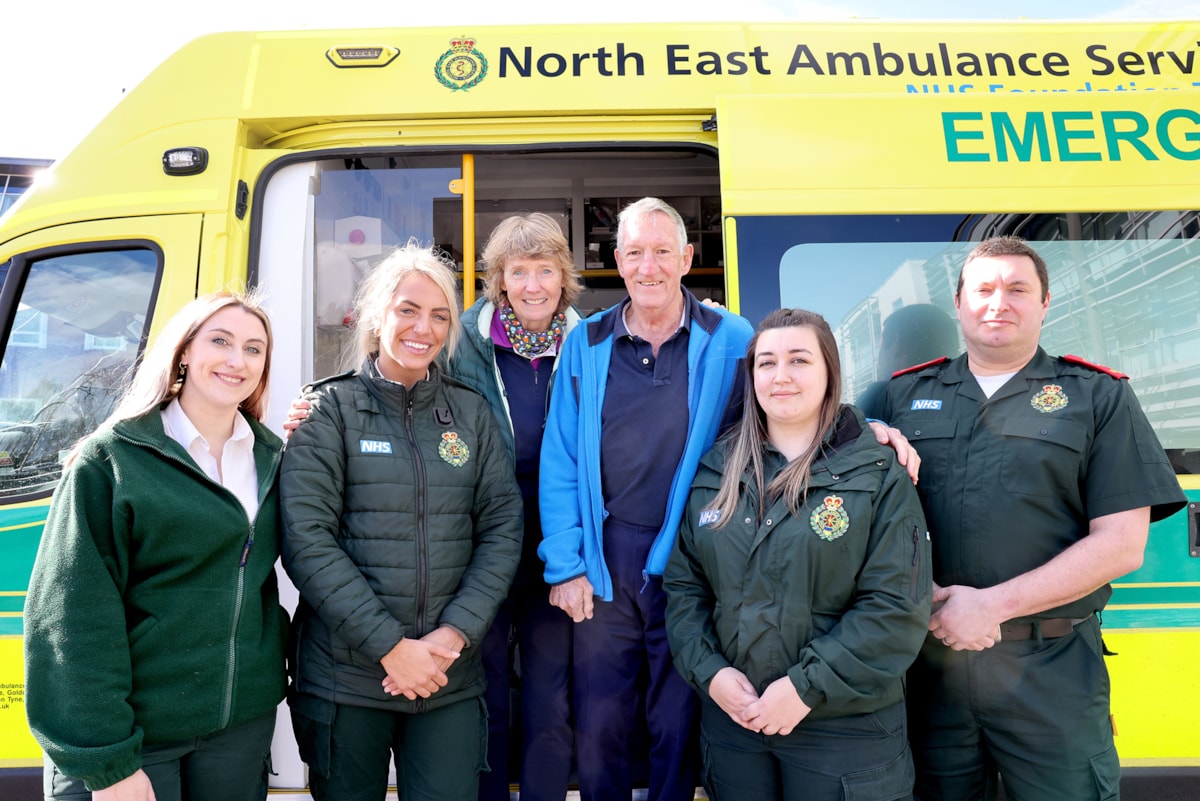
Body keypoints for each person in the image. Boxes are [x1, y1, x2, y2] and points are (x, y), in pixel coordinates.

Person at [538, 197, 921, 801]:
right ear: (617, 260)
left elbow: (789, 400)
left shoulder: (734, 335)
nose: (649, 266)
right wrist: (566, 563)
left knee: (678, 718)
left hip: (701, 549)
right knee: (601, 719)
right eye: (635, 252)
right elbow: (559, 456)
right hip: (607, 556)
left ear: (688, 258)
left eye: (663, 251)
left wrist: (863, 429)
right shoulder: (585, 342)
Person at [877, 236, 1187, 801]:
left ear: (1045, 303)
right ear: (959, 303)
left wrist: (989, 605)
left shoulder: (1098, 396)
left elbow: (1121, 545)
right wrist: (862, 432)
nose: (999, 302)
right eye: (984, 289)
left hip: (1052, 670)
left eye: (1018, 289)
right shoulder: (900, 397)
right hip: (927, 670)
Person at [280, 241, 523, 801]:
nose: (424, 327)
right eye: (407, 310)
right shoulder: (327, 412)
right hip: (346, 681)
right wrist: (392, 647)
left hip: (448, 679)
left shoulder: (471, 413)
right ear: (376, 316)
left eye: (440, 315)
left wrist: (452, 636)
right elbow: (308, 543)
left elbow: (502, 529)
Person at [24, 291, 288, 801]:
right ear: (184, 351)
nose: (238, 360)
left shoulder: (273, 459)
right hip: (133, 738)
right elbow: (71, 618)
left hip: (236, 733)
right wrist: (106, 763)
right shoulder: (112, 460)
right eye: (221, 341)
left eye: (255, 349)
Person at [664, 308, 931, 801]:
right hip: (736, 727)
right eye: (765, 363)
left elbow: (896, 608)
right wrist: (711, 673)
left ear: (830, 370)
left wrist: (806, 687)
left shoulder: (876, 472)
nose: (780, 376)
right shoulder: (715, 471)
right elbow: (684, 590)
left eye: (799, 360)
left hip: (845, 732)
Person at [452, 214, 583, 801]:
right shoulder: (461, 342)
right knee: (482, 687)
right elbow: (388, 378)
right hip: (479, 541)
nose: (533, 285)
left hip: (557, 544)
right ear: (498, 279)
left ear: (564, 277)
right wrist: (316, 404)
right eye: (518, 271)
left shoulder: (590, 343)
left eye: (545, 270)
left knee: (550, 693)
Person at [855, 302, 958, 419]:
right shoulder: (971, 394)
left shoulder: (877, 398)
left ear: (895, 344)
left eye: (881, 344)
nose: (879, 355)